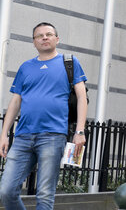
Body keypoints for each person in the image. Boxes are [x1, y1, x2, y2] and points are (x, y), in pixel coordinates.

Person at [0, 22, 87, 210]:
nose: (44, 38)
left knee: (45, 194)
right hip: (23, 136)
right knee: (6, 191)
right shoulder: (25, 67)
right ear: (34, 42)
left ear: (57, 39)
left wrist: (80, 131)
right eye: (39, 36)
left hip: (53, 136)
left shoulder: (69, 62)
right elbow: (15, 102)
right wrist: (4, 134)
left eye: (49, 34)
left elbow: (81, 97)